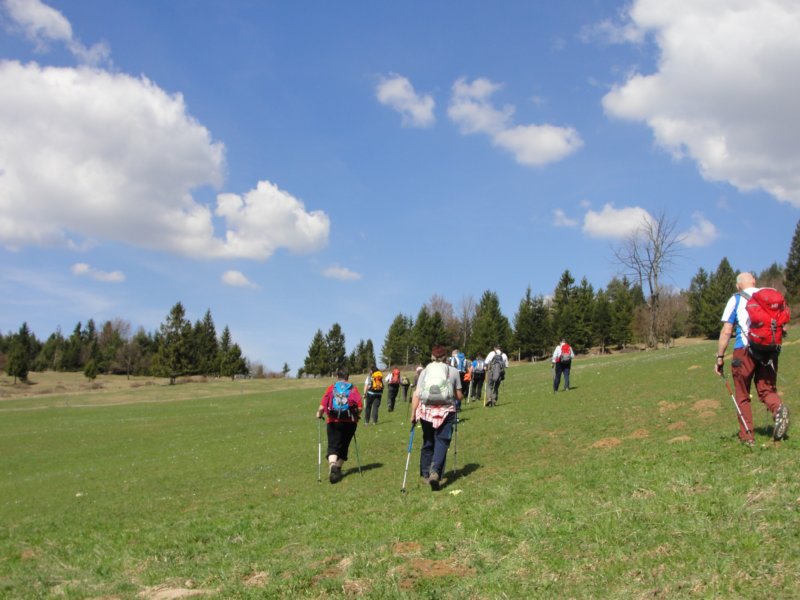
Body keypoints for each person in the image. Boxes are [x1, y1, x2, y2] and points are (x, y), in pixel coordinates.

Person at [715, 272, 790, 446]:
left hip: (744, 351)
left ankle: (747, 437)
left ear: (738, 285)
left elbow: (726, 331)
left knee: (742, 394)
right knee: (767, 390)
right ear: (754, 281)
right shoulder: (770, 296)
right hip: (769, 350)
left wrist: (720, 357)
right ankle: (778, 409)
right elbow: (783, 326)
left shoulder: (736, 299)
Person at [410, 345, 463, 490]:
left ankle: (426, 473)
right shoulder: (453, 371)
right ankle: (435, 472)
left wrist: (413, 414)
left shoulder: (425, 371)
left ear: (432, 357)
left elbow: (417, 394)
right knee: (442, 441)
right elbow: (458, 396)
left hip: (426, 411)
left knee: (428, 440)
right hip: (446, 411)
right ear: (446, 357)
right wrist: (459, 395)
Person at [316, 369, 363, 483]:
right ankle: (337, 468)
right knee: (344, 445)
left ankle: (332, 465)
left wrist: (319, 414)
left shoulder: (332, 388)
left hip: (333, 421)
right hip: (350, 422)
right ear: (348, 377)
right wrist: (356, 415)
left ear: (337, 377)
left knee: (333, 445)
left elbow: (322, 407)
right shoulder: (353, 389)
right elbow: (360, 407)